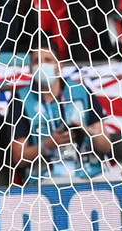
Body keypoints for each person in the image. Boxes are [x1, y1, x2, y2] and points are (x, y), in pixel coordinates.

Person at [7, 44, 115, 183]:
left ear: (59, 66)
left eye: (47, 60)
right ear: (30, 69)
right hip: (46, 176)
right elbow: (18, 157)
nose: (41, 65)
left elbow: (106, 146)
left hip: (91, 172)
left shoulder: (81, 91)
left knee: (117, 185)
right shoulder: (20, 99)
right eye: (36, 61)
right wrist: (47, 145)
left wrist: (90, 133)